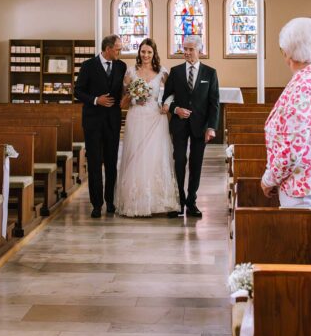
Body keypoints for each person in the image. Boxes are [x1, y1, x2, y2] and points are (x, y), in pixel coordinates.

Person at [261, 17, 311, 209]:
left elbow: (293, 148)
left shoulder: (304, 87)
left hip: (305, 189)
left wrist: (269, 178)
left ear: (288, 52)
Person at [114, 39, 180, 217]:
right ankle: (135, 201)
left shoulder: (162, 72)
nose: (145, 55)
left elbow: (172, 93)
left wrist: (166, 104)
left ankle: (158, 201)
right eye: (143, 52)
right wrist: (133, 96)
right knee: (135, 156)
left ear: (154, 53)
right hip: (136, 116)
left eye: (149, 52)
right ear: (139, 52)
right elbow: (123, 102)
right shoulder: (130, 72)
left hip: (156, 117)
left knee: (155, 156)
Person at [161, 35, 220, 218]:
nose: (186, 52)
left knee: (196, 164)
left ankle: (191, 202)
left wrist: (211, 127)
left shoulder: (210, 73)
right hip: (179, 125)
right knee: (179, 160)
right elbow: (165, 99)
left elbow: (214, 103)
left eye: (190, 49)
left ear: (199, 50)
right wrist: (176, 109)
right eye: (184, 49)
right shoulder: (175, 71)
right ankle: (179, 200)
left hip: (200, 126)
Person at [74, 34, 127, 218]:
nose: (120, 51)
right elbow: (78, 91)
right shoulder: (88, 66)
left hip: (112, 121)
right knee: (95, 164)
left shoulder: (121, 66)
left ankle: (110, 201)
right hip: (93, 122)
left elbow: (122, 91)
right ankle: (96, 204)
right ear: (107, 49)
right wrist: (96, 100)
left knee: (112, 163)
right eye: (118, 48)